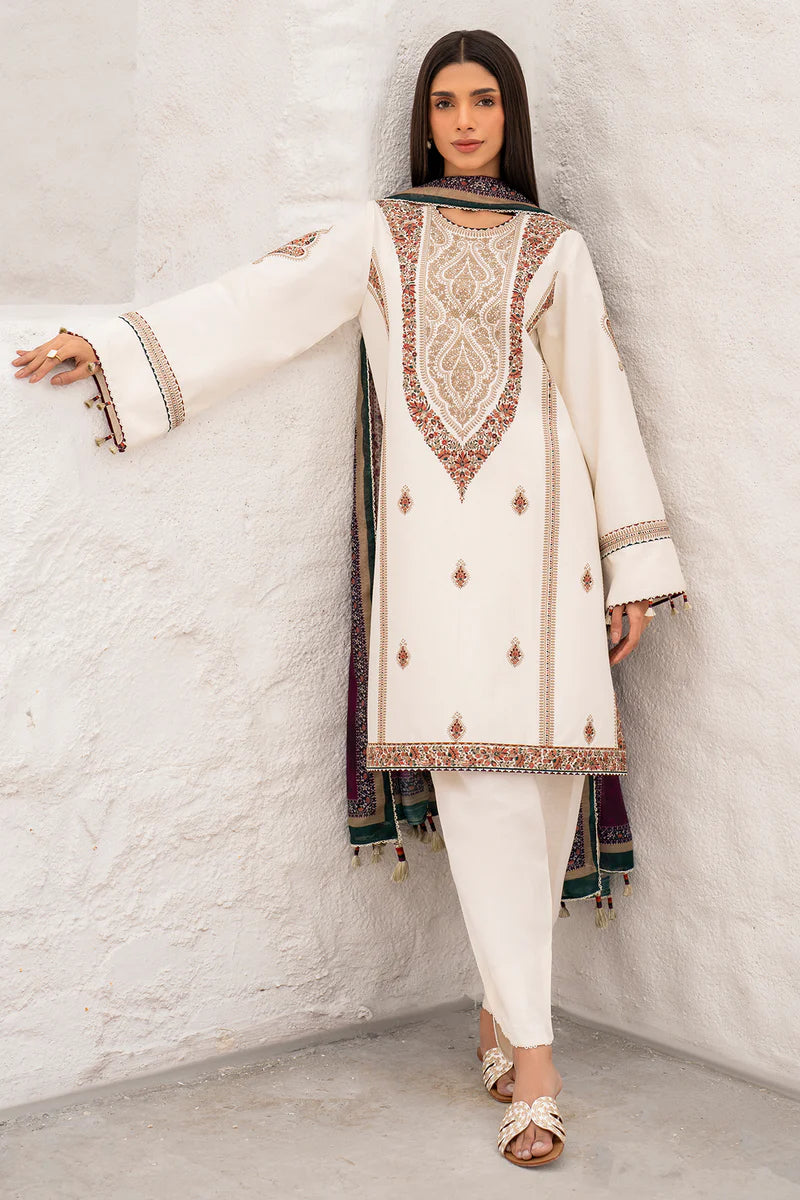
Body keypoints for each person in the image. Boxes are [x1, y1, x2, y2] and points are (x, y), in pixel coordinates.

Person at [11, 29, 687, 1169]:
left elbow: (599, 395)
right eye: (443, 102)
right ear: (421, 121)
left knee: (545, 792)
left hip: (553, 557)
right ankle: (534, 1066)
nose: (463, 120)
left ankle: (494, 1010)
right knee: (475, 785)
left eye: (481, 101)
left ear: (508, 116)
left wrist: (634, 559)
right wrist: (120, 346)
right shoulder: (380, 232)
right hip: (436, 566)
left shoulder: (554, 249)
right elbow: (262, 303)